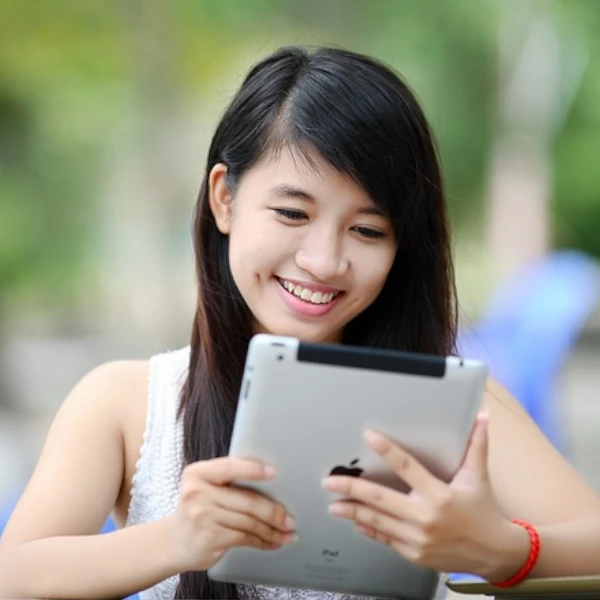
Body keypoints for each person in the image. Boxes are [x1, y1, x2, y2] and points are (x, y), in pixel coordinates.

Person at [1, 45, 600, 600]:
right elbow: (14, 575)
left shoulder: (447, 403)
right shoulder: (126, 402)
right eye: (292, 212)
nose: (324, 260)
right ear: (224, 199)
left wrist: (498, 548)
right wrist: (176, 540)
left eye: (368, 230)